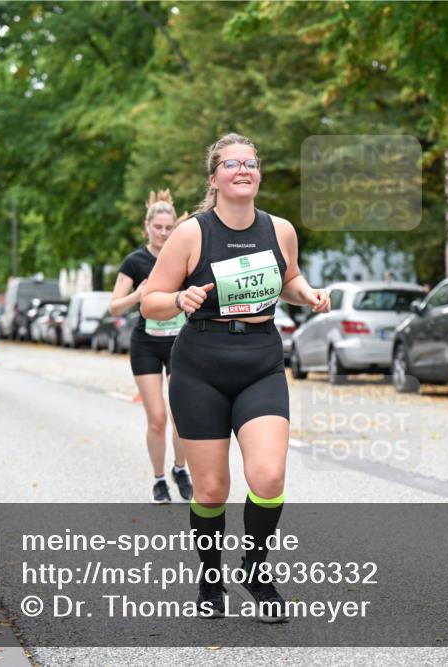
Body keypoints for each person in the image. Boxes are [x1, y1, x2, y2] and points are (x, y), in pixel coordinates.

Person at [142, 133, 330, 621]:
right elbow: (151, 299)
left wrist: (306, 293)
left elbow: (287, 279)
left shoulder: (280, 230)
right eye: (231, 164)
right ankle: (210, 578)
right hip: (201, 362)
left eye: (250, 162)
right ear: (215, 177)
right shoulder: (191, 233)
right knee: (210, 490)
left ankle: (255, 568)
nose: (242, 169)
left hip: (260, 360)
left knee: (267, 477)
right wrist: (178, 300)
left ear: (259, 172)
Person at [109, 188, 193, 504]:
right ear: (147, 227)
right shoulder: (135, 261)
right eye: (157, 227)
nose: (162, 233)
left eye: (168, 228)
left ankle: (180, 469)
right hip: (146, 344)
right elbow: (114, 307)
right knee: (157, 418)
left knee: (183, 414)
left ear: (175, 228)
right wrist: (136, 296)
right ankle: (159, 479)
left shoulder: (183, 256)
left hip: (179, 344)